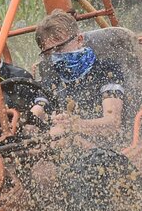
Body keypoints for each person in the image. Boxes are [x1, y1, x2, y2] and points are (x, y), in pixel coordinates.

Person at [31, 9, 125, 142]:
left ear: (79, 40)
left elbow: (112, 123)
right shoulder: (51, 77)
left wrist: (72, 125)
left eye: (59, 48)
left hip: (107, 145)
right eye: (48, 53)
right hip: (64, 146)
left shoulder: (106, 69)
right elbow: (37, 111)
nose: (55, 56)